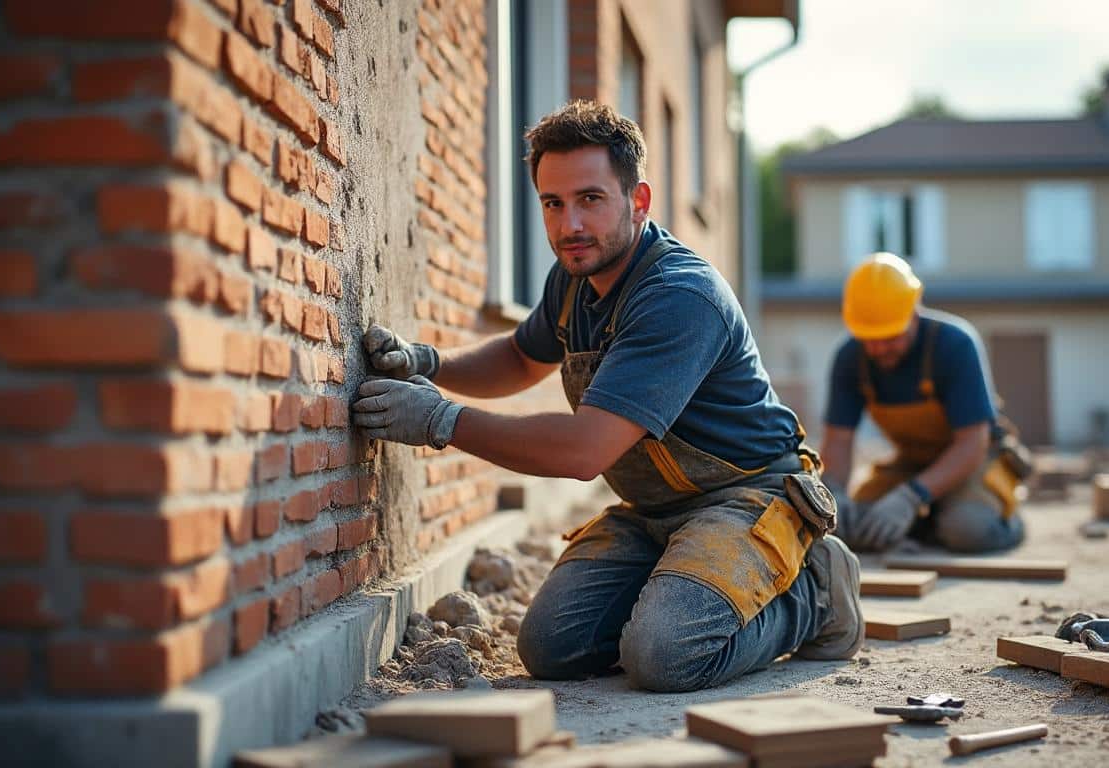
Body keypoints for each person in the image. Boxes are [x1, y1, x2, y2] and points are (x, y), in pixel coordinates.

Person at [351, 101, 862, 693]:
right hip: (653, 512)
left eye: (590, 199)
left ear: (638, 201)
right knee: (550, 648)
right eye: (553, 203)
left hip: (743, 498)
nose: (569, 225)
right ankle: (684, 589)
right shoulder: (574, 275)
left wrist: (440, 419)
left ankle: (817, 592)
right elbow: (521, 357)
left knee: (663, 657)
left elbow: (582, 453)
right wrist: (429, 363)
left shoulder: (679, 296)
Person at [818, 252, 1027, 553]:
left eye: (890, 337)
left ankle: (1004, 520)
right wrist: (832, 496)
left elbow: (973, 443)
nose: (878, 348)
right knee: (856, 523)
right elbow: (838, 440)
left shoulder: (954, 345)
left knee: (969, 529)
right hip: (911, 464)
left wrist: (910, 498)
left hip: (971, 462)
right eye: (869, 338)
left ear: (914, 311)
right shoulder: (850, 357)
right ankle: (931, 524)